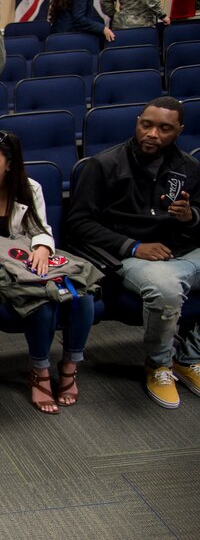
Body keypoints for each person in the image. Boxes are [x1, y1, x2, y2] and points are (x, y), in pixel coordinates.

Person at [68, 97, 200, 409]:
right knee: (166, 289)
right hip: (130, 255)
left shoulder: (190, 169)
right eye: (147, 125)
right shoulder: (104, 165)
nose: (153, 134)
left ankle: (190, 356)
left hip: (181, 250)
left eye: (165, 128)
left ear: (179, 131)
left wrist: (190, 216)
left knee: (173, 279)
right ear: (137, 123)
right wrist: (134, 246)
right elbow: (79, 223)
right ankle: (159, 365)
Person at [0, 130, 95, 414]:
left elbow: (40, 229)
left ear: (9, 164)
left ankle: (69, 367)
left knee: (83, 297)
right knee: (41, 304)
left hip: (29, 261)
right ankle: (40, 372)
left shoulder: (30, 187)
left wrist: (43, 248)